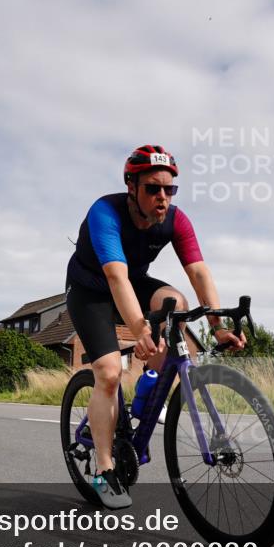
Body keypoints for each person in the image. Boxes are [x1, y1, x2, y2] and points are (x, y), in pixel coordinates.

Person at [66, 144, 246, 509]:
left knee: (176, 304)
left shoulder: (175, 220)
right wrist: (139, 328)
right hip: (91, 291)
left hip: (135, 282)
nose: (162, 197)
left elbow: (198, 271)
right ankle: (103, 469)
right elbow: (116, 278)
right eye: (153, 188)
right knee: (109, 371)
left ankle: (150, 392)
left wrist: (217, 325)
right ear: (131, 186)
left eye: (169, 189)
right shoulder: (106, 212)